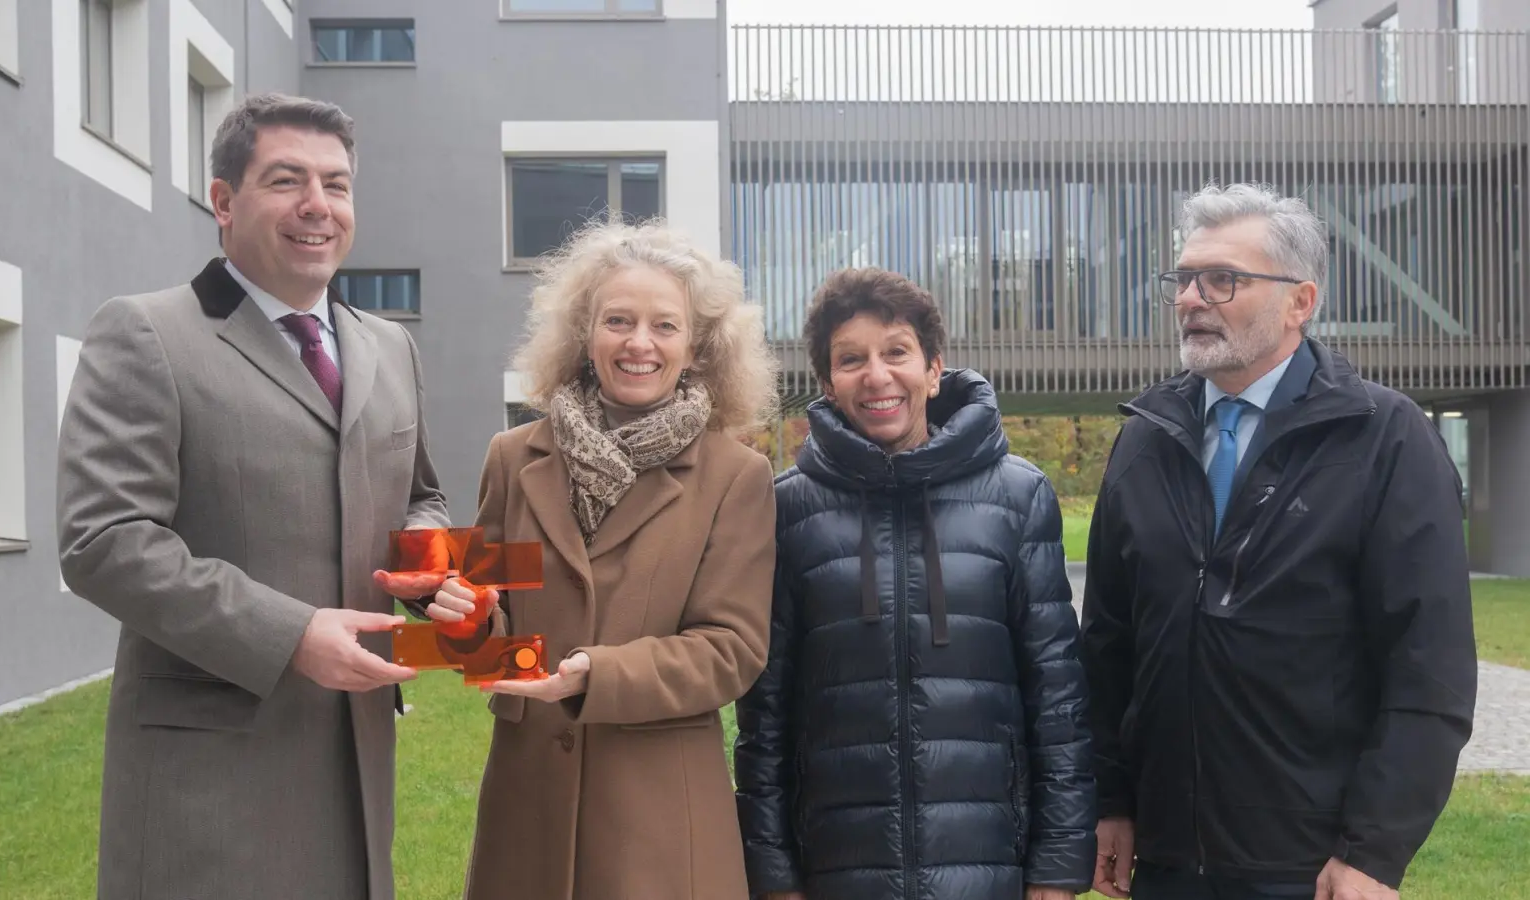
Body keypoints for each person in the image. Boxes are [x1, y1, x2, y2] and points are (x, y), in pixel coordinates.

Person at [57, 93, 448, 900]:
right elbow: (105, 541)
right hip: (210, 784)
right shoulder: (146, 334)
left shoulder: (390, 347)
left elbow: (420, 497)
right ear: (224, 201)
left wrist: (428, 564)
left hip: (358, 764)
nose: (317, 205)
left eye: (336, 184)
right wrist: (292, 634)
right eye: (286, 180)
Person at [1081, 182, 1477, 900]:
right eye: (1183, 278)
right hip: (1166, 863)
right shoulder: (1143, 441)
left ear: (1300, 301)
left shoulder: (1385, 440)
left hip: (1312, 867)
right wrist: (1111, 800)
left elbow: (1429, 669)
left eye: (1221, 279)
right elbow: (1108, 647)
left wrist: (1374, 851)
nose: (1190, 299)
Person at [430, 218, 780, 900]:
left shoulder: (736, 477)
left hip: (660, 822)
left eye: (664, 325)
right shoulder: (512, 458)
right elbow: (491, 624)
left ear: (697, 347)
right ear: (584, 335)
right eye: (617, 320)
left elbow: (731, 648)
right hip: (527, 812)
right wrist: (465, 621)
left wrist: (597, 673)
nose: (638, 342)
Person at [734, 267, 1096, 900]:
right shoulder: (786, 508)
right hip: (835, 869)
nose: (877, 376)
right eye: (852, 360)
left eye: (896, 352)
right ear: (828, 384)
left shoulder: (1017, 496)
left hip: (989, 866)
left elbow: (1058, 696)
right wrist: (773, 872)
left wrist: (1057, 866)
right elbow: (763, 716)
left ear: (933, 370)